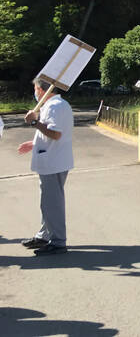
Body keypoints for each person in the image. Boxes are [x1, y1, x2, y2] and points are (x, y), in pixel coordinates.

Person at [17, 78, 74, 255]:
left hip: (53, 163)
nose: (35, 92)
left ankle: (58, 242)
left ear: (41, 90)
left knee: (52, 204)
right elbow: (52, 134)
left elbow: (55, 134)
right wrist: (34, 143)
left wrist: (34, 122)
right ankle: (45, 235)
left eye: (35, 89)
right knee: (47, 202)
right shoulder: (55, 105)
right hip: (53, 160)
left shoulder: (54, 106)